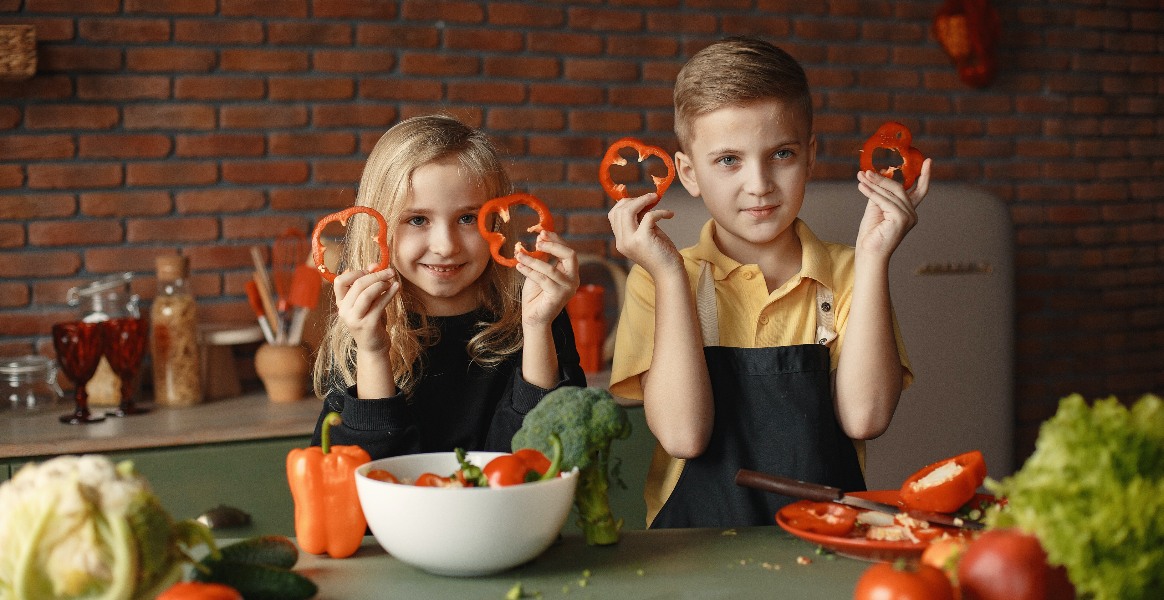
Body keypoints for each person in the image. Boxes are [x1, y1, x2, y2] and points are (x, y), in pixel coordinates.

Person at [607, 37, 931, 528]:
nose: (759, 183)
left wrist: (874, 258)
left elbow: (866, 418)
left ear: (811, 154)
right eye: (728, 160)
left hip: (823, 547)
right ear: (689, 173)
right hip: (693, 553)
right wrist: (672, 276)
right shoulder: (657, 279)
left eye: (781, 153)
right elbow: (682, 436)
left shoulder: (848, 273)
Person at [310, 114, 586, 460]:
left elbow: (547, 461)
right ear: (375, 226)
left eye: (467, 218)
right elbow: (360, 478)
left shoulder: (537, 315)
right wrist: (373, 351)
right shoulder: (363, 329)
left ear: (499, 220)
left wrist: (536, 329)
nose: (445, 245)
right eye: (418, 220)